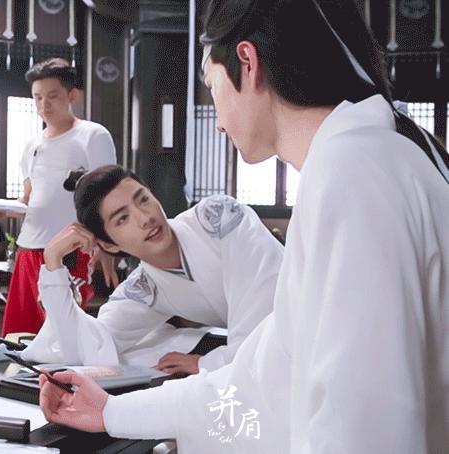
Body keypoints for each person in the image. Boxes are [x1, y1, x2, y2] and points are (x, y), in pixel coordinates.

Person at [39, 1, 449, 453]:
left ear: (247, 63)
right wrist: (112, 411)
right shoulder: (359, 160)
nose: (217, 122)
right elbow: (264, 374)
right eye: (120, 219)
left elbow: (367, 423)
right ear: (109, 242)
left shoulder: (350, 173)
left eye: (211, 85)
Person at [23, 165, 283, 374]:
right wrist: (52, 262)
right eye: (122, 218)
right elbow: (86, 349)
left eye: (143, 199)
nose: (145, 218)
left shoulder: (218, 218)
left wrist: (207, 363)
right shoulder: (145, 289)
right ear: (109, 245)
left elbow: (267, 314)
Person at [0, 58, 116, 336]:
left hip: (70, 250)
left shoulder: (93, 135)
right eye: (38, 97)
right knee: (19, 336)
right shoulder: (31, 145)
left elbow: (109, 196)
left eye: (52, 96)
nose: (44, 105)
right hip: (28, 250)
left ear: (72, 95)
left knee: (62, 334)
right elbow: (28, 199)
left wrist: (108, 248)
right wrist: (6, 209)